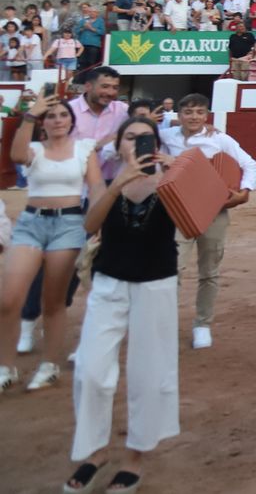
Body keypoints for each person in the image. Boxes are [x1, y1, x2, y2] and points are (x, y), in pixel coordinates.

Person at [61, 119, 179, 494]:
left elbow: (196, 225)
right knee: (90, 370)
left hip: (156, 283)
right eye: (131, 137)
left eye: (146, 138)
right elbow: (90, 224)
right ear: (119, 146)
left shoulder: (171, 182)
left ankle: (134, 458)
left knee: (150, 372)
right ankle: (95, 452)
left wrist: (179, 176)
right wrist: (118, 185)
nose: (138, 143)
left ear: (157, 145)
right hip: (109, 281)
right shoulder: (107, 182)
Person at [0, 95, 101, 391]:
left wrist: (97, 220)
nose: (58, 120)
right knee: (8, 300)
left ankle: (49, 365)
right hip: (31, 223)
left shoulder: (84, 148)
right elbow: (16, 155)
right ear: (42, 123)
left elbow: (96, 186)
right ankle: (5, 366)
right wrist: (30, 115)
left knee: (54, 300)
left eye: (63, 115)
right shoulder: (33, 148)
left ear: (71, 121)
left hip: (68, 224)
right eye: (51, 116)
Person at [159, 93, 256, 350]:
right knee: (172, 269)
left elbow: (249, 164)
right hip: (179, 210)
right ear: (179, 115)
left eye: (200, 112)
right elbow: (139, 130)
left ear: (206, 115)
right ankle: (165, 323)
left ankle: (202, 324)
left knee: (209, 270)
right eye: (188, 112)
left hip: (214, 209)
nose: (194, 117)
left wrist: (245, 191)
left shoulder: (219, 139)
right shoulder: (165, 137)